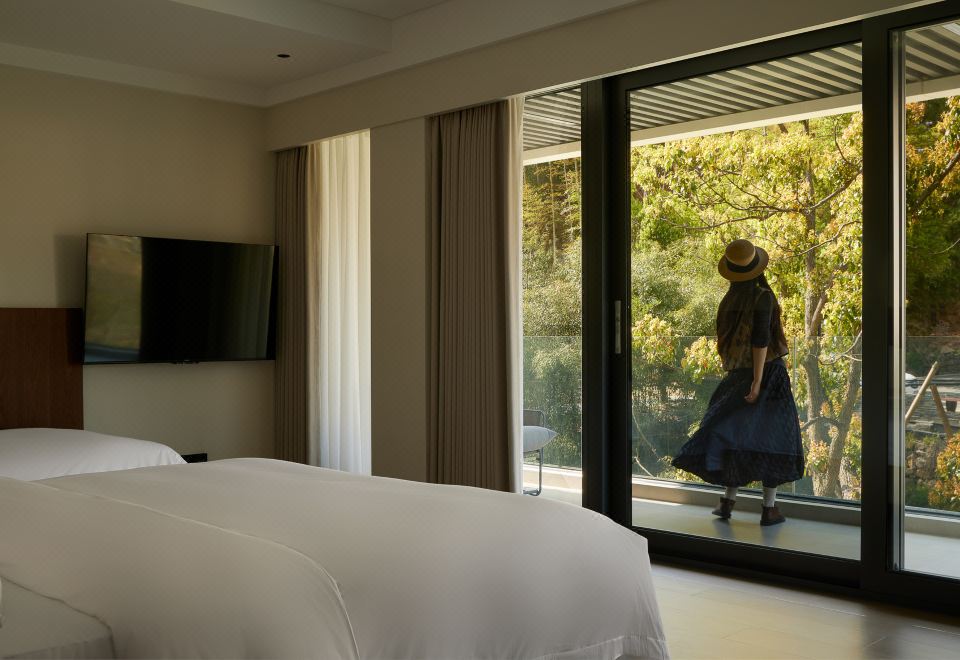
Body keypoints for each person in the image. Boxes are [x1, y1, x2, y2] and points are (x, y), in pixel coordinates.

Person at [671, 239, 804, 526]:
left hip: (736, 377)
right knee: (773, 440)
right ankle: (769, 509)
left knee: (736, 437)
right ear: (757, 268)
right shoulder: (763, 297)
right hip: (767, 375)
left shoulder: (729, 301)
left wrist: (746, 378)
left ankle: (727, 502)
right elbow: (760, 341)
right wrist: (757, 381)